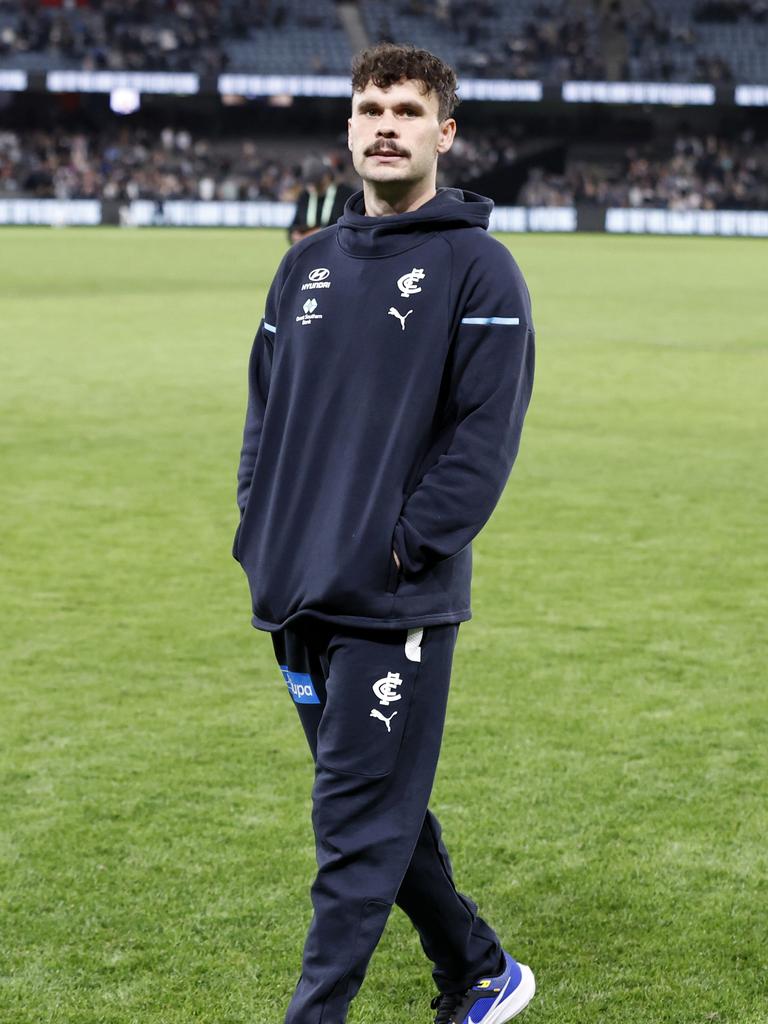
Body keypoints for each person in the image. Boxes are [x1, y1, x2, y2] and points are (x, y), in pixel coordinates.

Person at [233, 43, 536, 1024]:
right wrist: (260, 533)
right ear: (349, 128)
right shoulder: (305, 269)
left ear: (445, 133)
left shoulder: (479, 269)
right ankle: (482, 968)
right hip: (294, 585)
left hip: (393, 598)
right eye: (370, 108)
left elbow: (482, 439)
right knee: (375, 805)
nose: (386, 125)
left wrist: (405, 547)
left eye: (408, 109)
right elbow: (263, 416)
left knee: (353, 819)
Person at [288, 154, 356, 244]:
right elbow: (294, 225)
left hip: (335, 251)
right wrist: (294, 235)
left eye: (315, 182)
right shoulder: (304, 197)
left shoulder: (345, 194)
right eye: (309, 182)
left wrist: (312, 235)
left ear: (326, 177)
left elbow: (347, 226)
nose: (311, 187)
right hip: (308, 252)